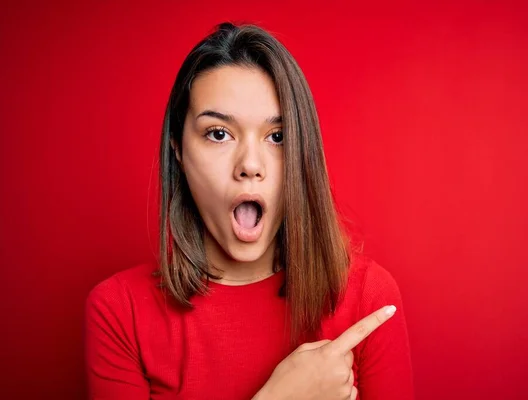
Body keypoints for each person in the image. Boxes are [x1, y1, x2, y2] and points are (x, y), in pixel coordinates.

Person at [85, 22, 414, 400]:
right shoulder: (118, 311)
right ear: (178, 149)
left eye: (278, 137)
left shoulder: (368, 298)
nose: (250, 164)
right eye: (219, 133)